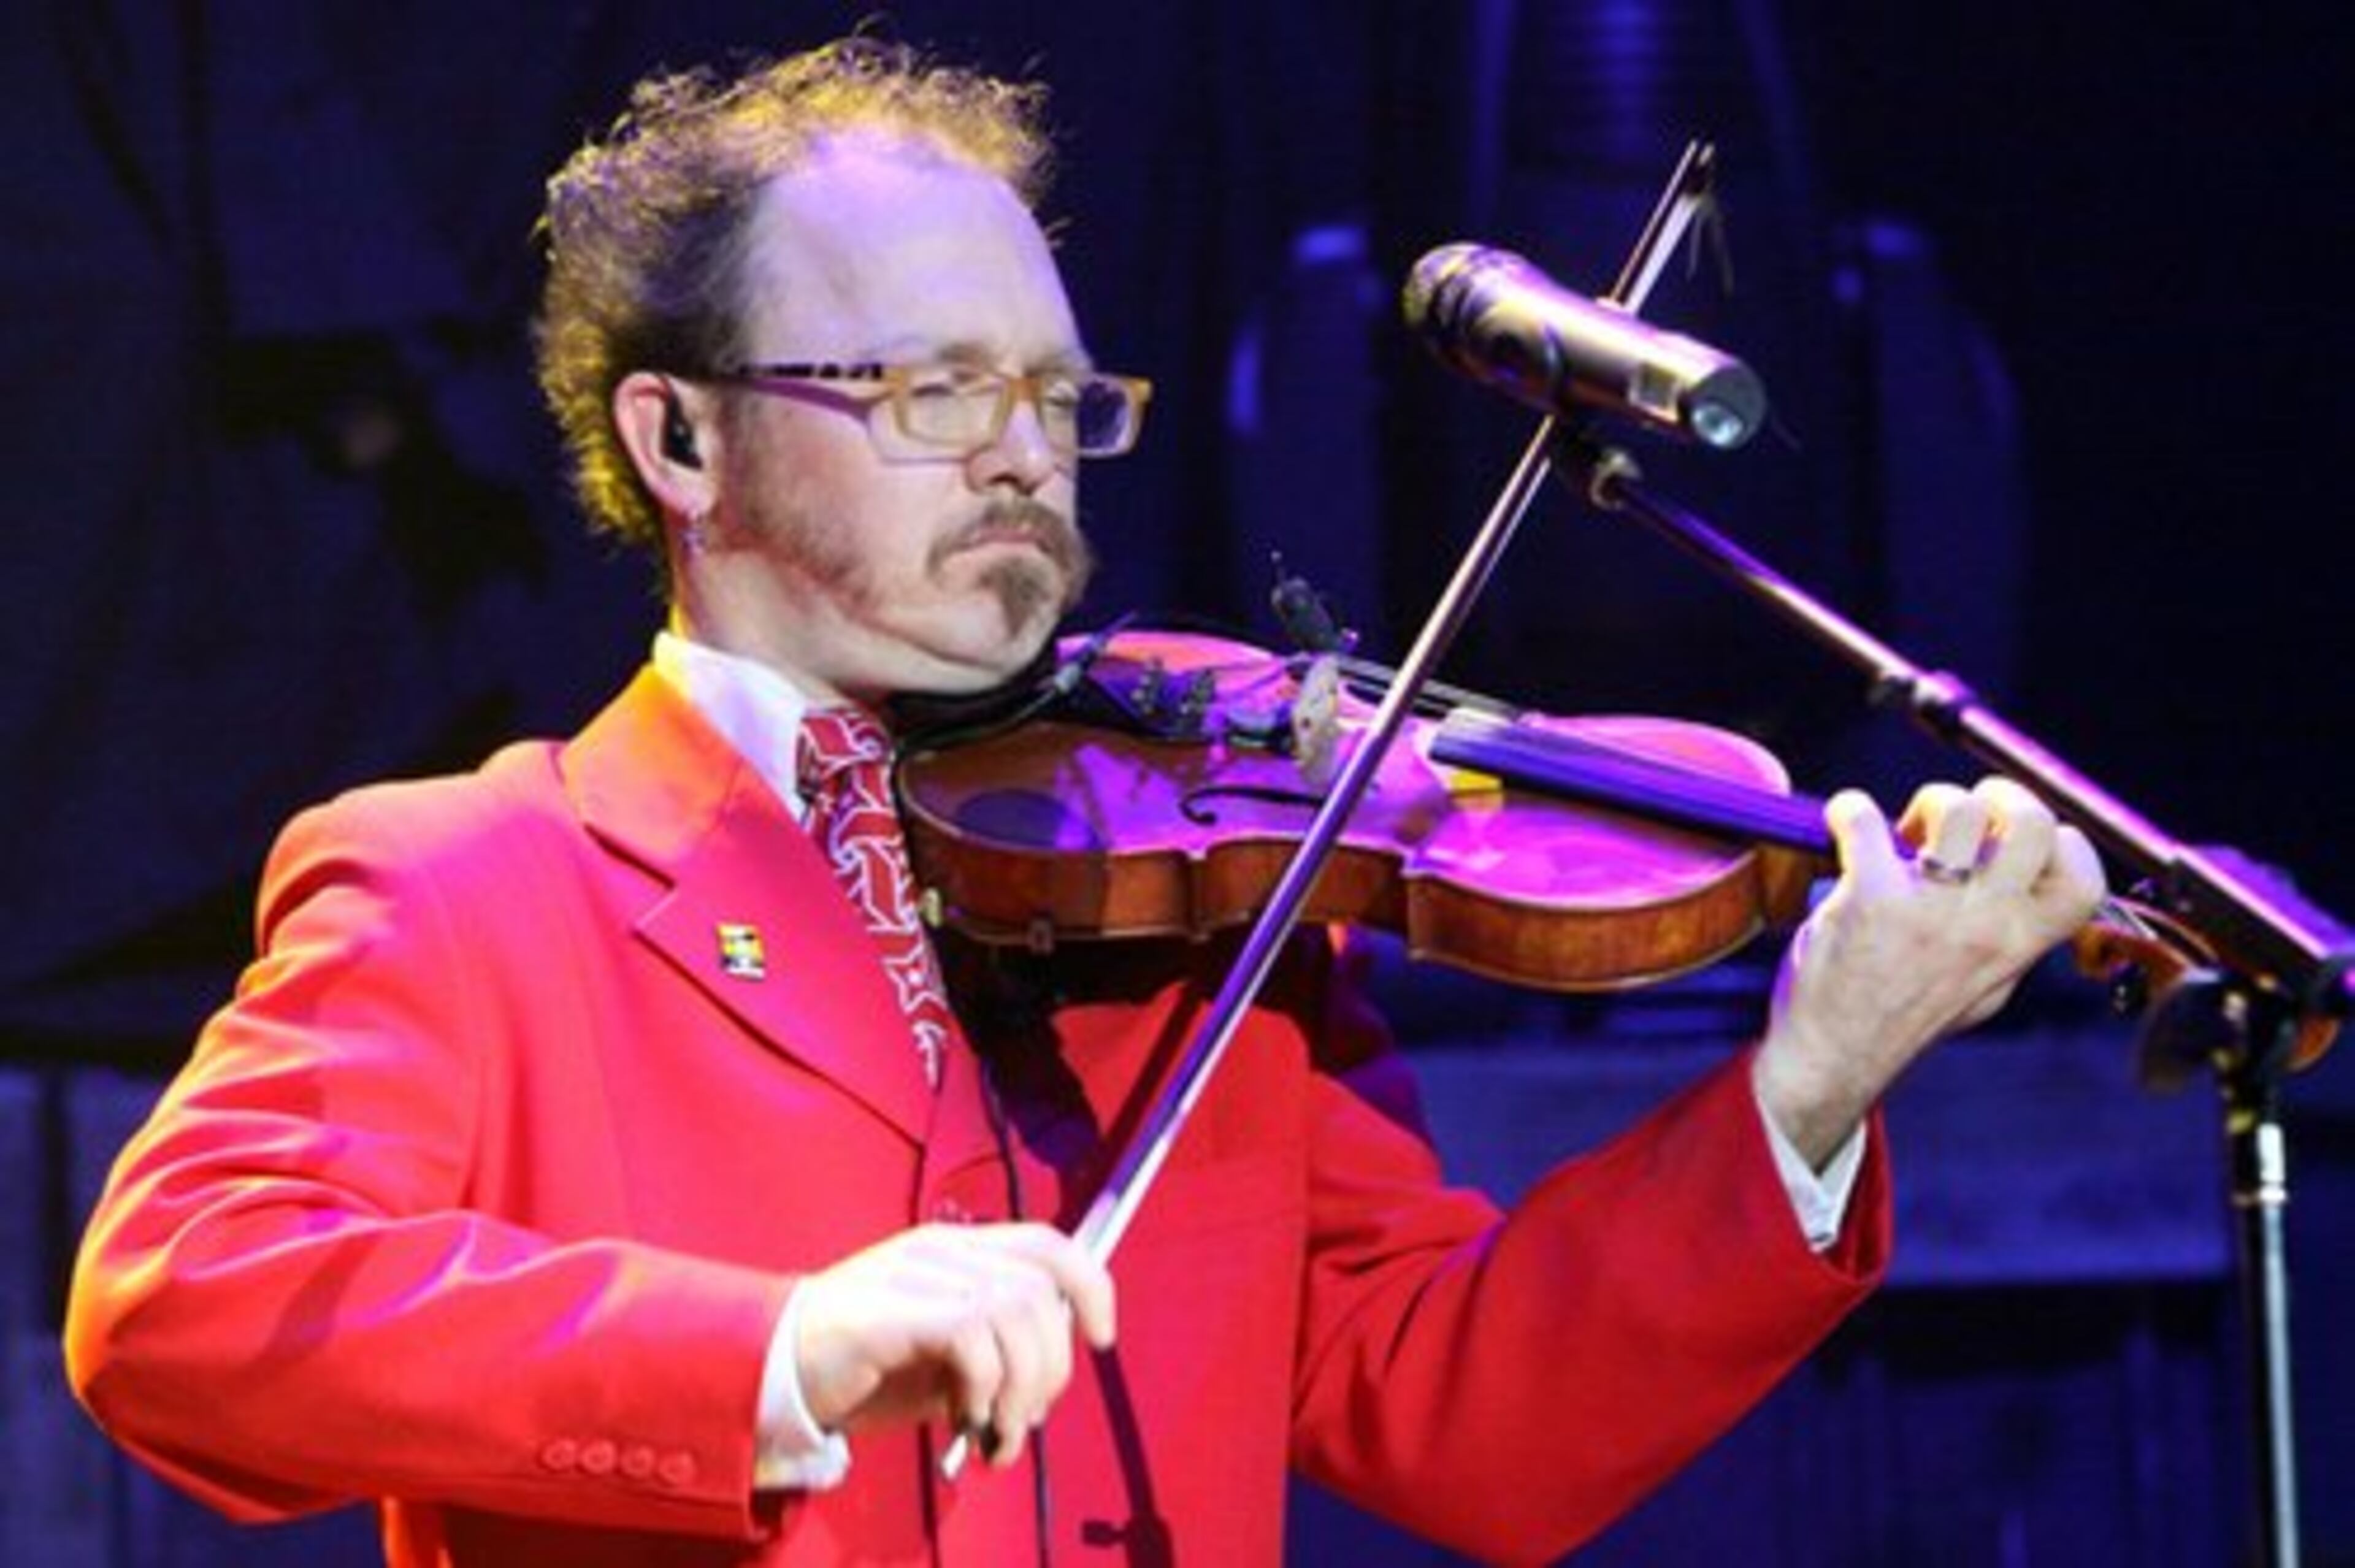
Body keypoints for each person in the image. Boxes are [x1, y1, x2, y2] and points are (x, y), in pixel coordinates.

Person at [63, 37, 2105, 1568]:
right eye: (935, 392)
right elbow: (186, 1303)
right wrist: (770, 1351)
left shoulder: (1205, 898)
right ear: (681, 440)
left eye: (1059, 398)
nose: (1026, 457)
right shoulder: (477, 882)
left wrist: (1811, 1092)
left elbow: (1463, 1422)